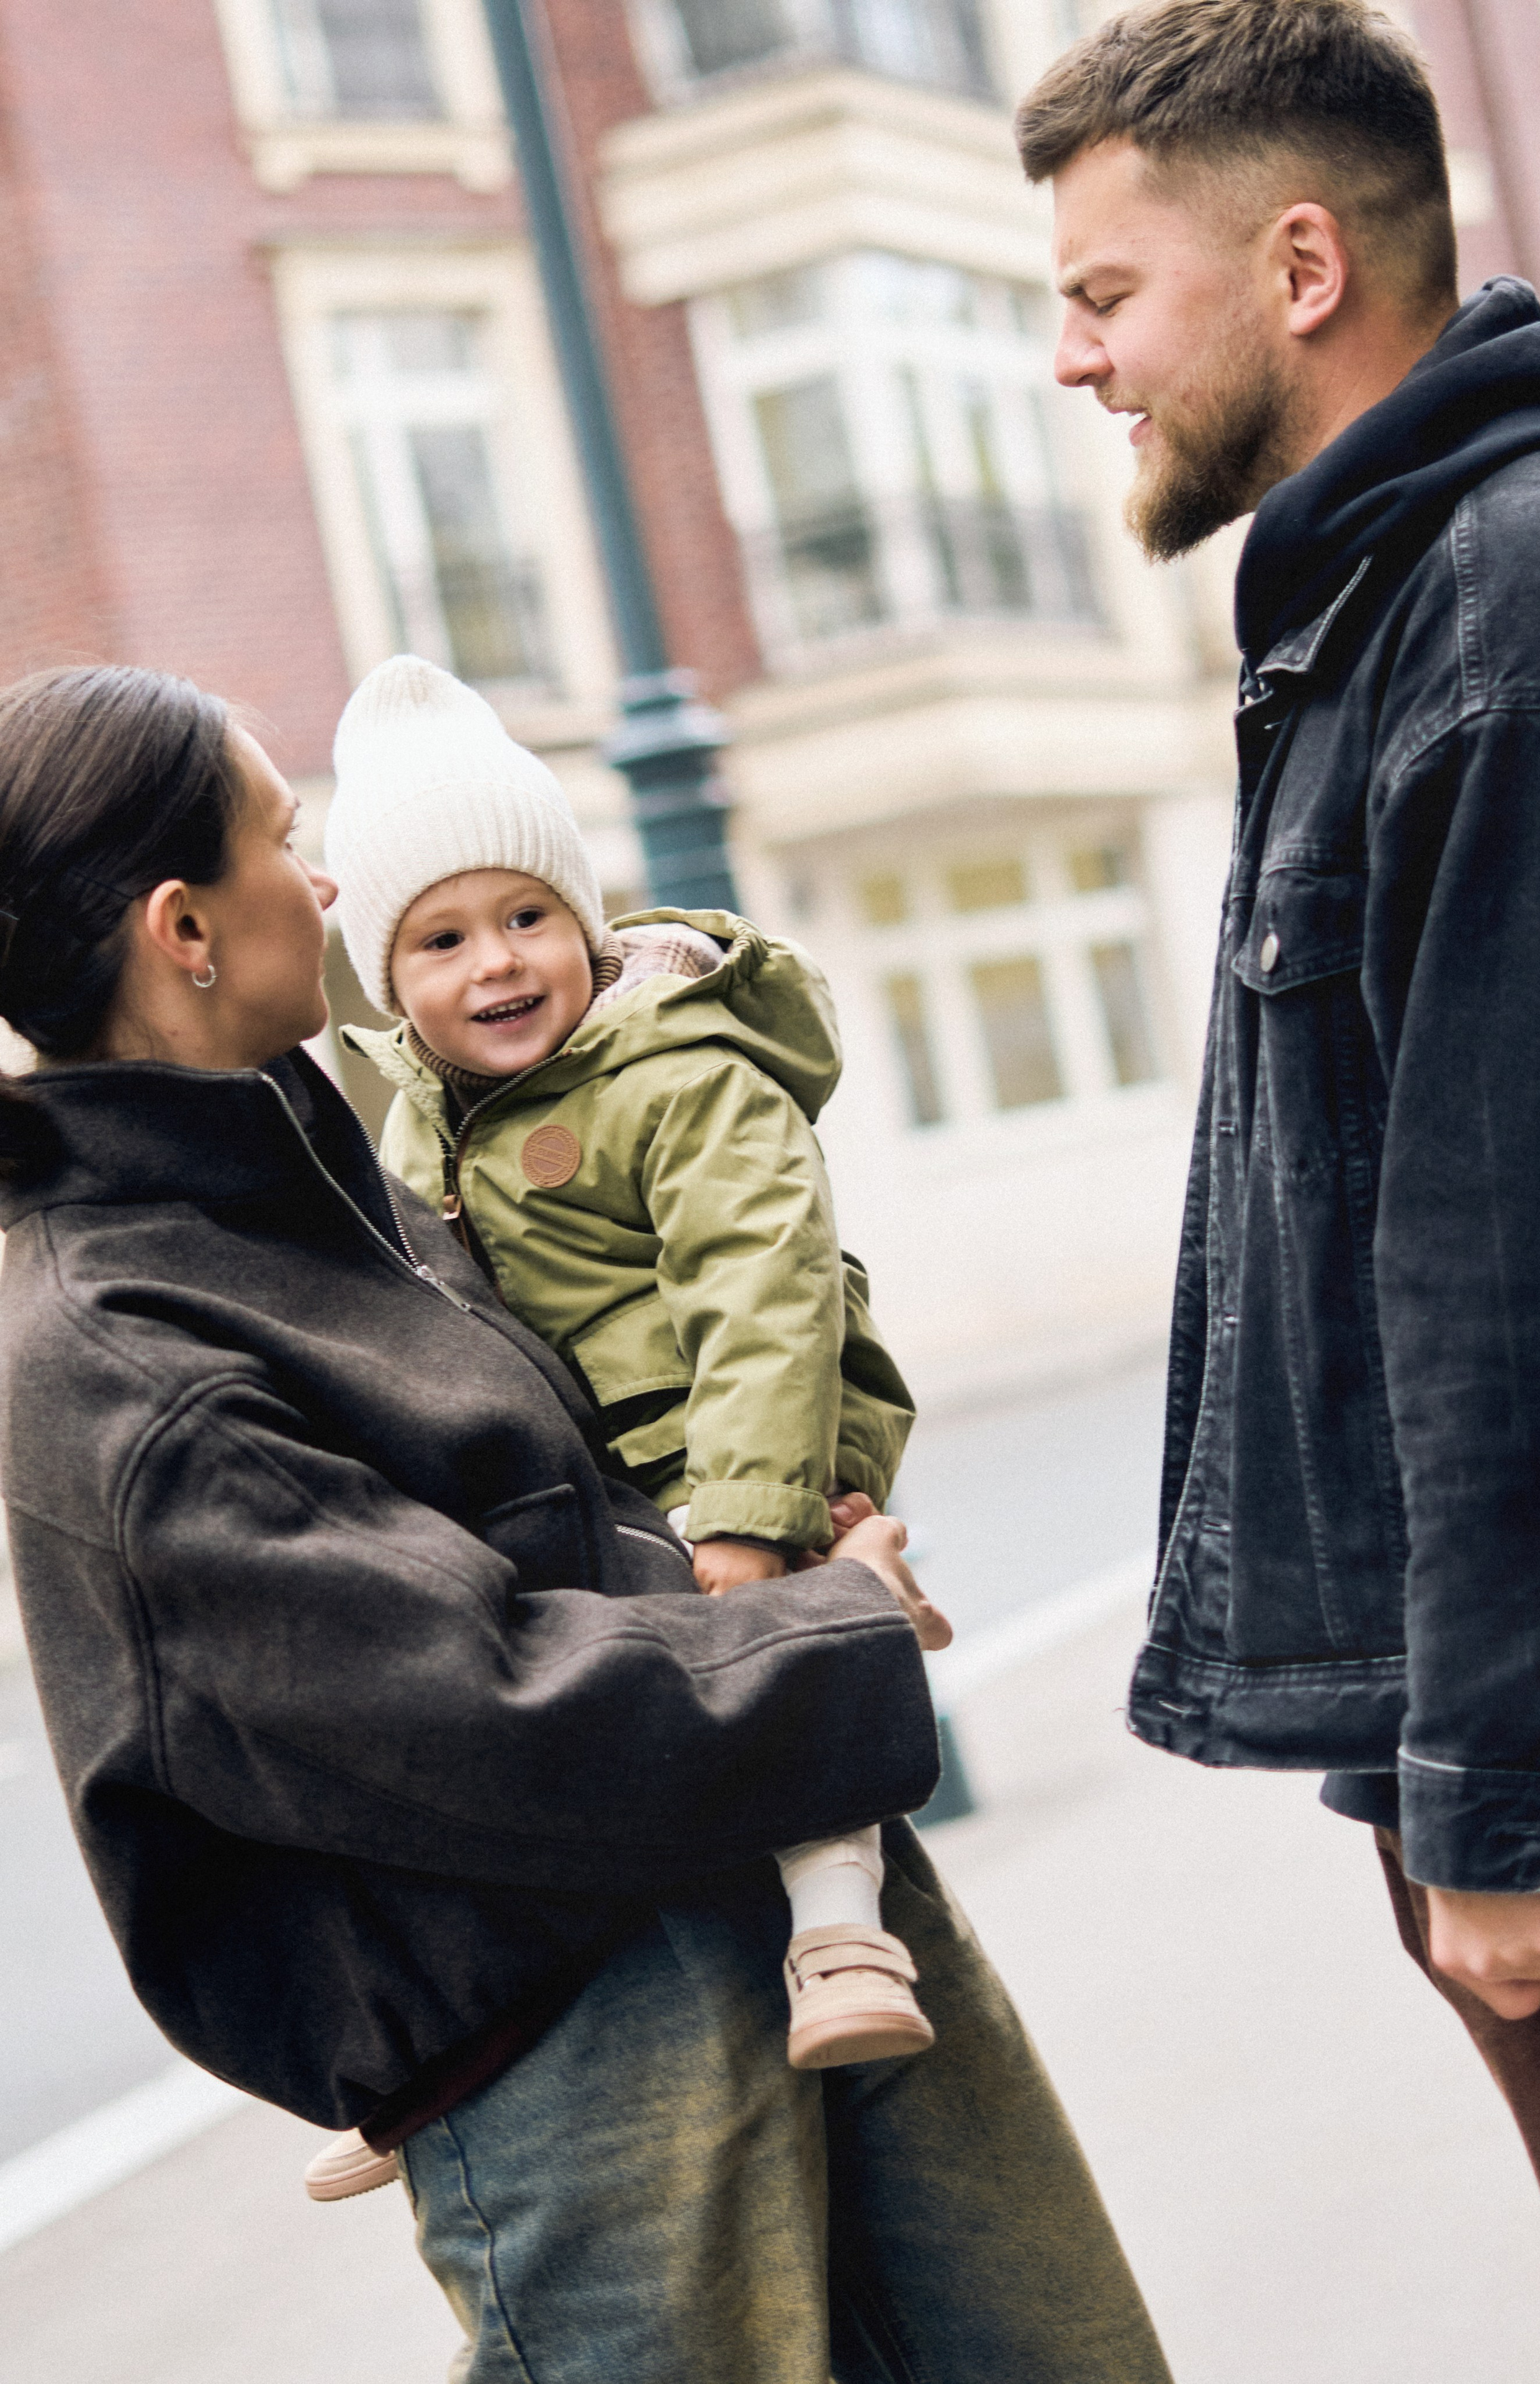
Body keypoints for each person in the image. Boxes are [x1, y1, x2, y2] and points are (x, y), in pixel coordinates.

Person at [0, 661, 1172, 2382]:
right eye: (285, 841)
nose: (323, 885)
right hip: (582, 2063)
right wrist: (830, 1624)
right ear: (185, 927)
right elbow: (470, 1697)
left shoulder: (338, 1182)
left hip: (757, 1911)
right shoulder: (121, 1346)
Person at [1017, 0, 1540, 2312]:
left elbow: (1509, 1265)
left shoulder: (1508, 604)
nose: (1078, 363)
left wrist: (1507, 1814)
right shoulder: (1389, 602)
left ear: (1300, 264)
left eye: (1101, 295)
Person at [308, 653, 941, 2204]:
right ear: (390, 983)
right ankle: (439, 2057)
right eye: (442, 939)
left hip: (734, 1438)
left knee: (777, 1652)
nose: (498, 964)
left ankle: (842, 1930)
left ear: (586, 925)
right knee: (527, 1745)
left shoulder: (684, 1072)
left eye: (529, 918)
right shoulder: (414, 1115)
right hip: (582, 1481)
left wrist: (747, 1500)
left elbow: (764, 1281)